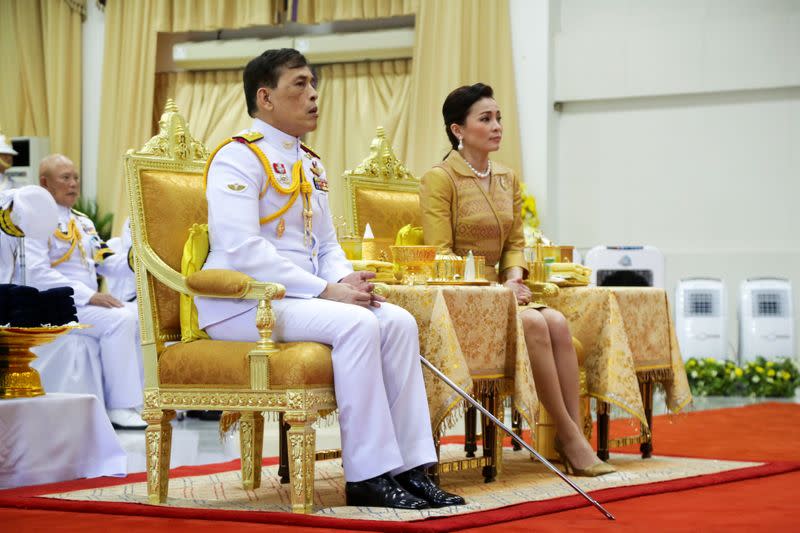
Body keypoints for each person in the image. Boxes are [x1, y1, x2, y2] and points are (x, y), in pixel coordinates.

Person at [197, 48, 463, 509]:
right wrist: (327, 290)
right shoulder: (236, 159)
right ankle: (368, 475)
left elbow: (324, 246)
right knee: (357, 324)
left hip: (298, 300)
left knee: (396, 320)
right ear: (265, 97)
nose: (314, 95)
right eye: (299, 85)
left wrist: (347, 279)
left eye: (314, 84)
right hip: (243, 304)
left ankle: (411, 467)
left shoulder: (311, 163)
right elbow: (243, 250)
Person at [420, 83, 615, 477]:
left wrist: (512, 276)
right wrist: (495, 288)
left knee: (557, 322)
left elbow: (514, 242)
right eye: (485, 119)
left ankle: (570, 435)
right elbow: (441, 254)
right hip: (466, 298)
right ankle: (571, 438)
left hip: (505, 292)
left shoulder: (508, 177)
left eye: (498, 118)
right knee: (534, 324)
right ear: (458, 130)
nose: (496, 126)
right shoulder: (440, 179)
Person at [24, 154, 146, 429]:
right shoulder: (35, 220)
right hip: (54, 303)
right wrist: (88, 295)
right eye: (65, 178)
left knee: (140, 315)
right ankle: (120, 406)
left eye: (76, 177)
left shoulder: (83, 222)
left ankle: (138, 401)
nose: (73, 184)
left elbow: (104, 261)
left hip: (84, 304)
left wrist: (135, 260)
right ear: (44, 183)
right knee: (120, 319)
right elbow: (36, 273)